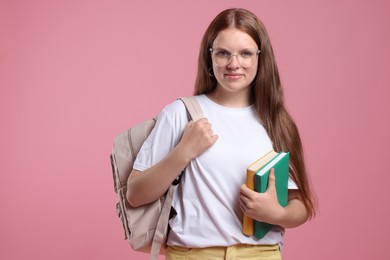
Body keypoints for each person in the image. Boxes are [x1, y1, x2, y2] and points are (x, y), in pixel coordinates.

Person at [127, 8, 316, 260]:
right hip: (193, 254)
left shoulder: (277, 122)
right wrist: (183, 152)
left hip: (260, 254)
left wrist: (276, 214)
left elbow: (300, 204)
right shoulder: (181, 114)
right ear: (210, 57)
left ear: (261, 58)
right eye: (223, 53)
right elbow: (135, 193)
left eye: (246, 53)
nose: (233, 64)